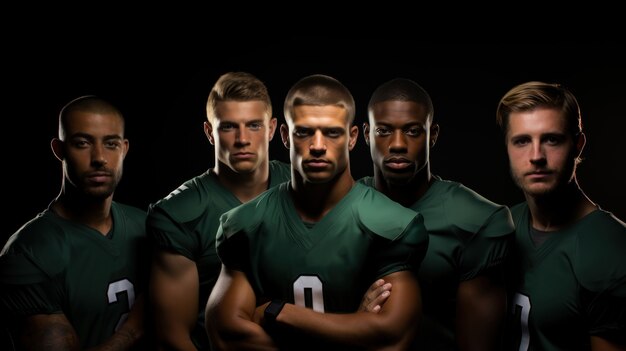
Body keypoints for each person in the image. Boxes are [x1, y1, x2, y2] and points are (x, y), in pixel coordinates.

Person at [205, 74, 430, 350]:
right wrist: (353, 328)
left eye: (332, 132)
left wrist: (278, 312)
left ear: (352, 137)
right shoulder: (245, 225)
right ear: (286, 136)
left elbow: (391, 338)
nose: (318, 146)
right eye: (305, 132)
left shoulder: (393, 226)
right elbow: (227, 335)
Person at [360, 77, 515, 350]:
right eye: (383, 131)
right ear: (365, 135)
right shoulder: (340, 205)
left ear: (433, 134)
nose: (397, 144)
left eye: (412, 131)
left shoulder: (477, 222)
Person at [146, 71, 292, 350]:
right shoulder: (179, 214)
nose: (242, 139)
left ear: (272, 129)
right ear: (209, 132)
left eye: (253, 125)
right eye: (228, 127)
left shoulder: (303, 187)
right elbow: (174, 337)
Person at [0, 95, 148, 350]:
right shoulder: (28, 253)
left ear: (124, 149)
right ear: (59, 150)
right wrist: (133, 331)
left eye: (111, 144)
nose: (99, 157)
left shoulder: (146, 224)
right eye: (82, 143)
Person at [496, 81, 626, 350]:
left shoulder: (613, 251)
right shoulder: (499, 226)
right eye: (521, 141)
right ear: (507, 148)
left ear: (577, 145)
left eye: (551, 139)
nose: (536, 156)